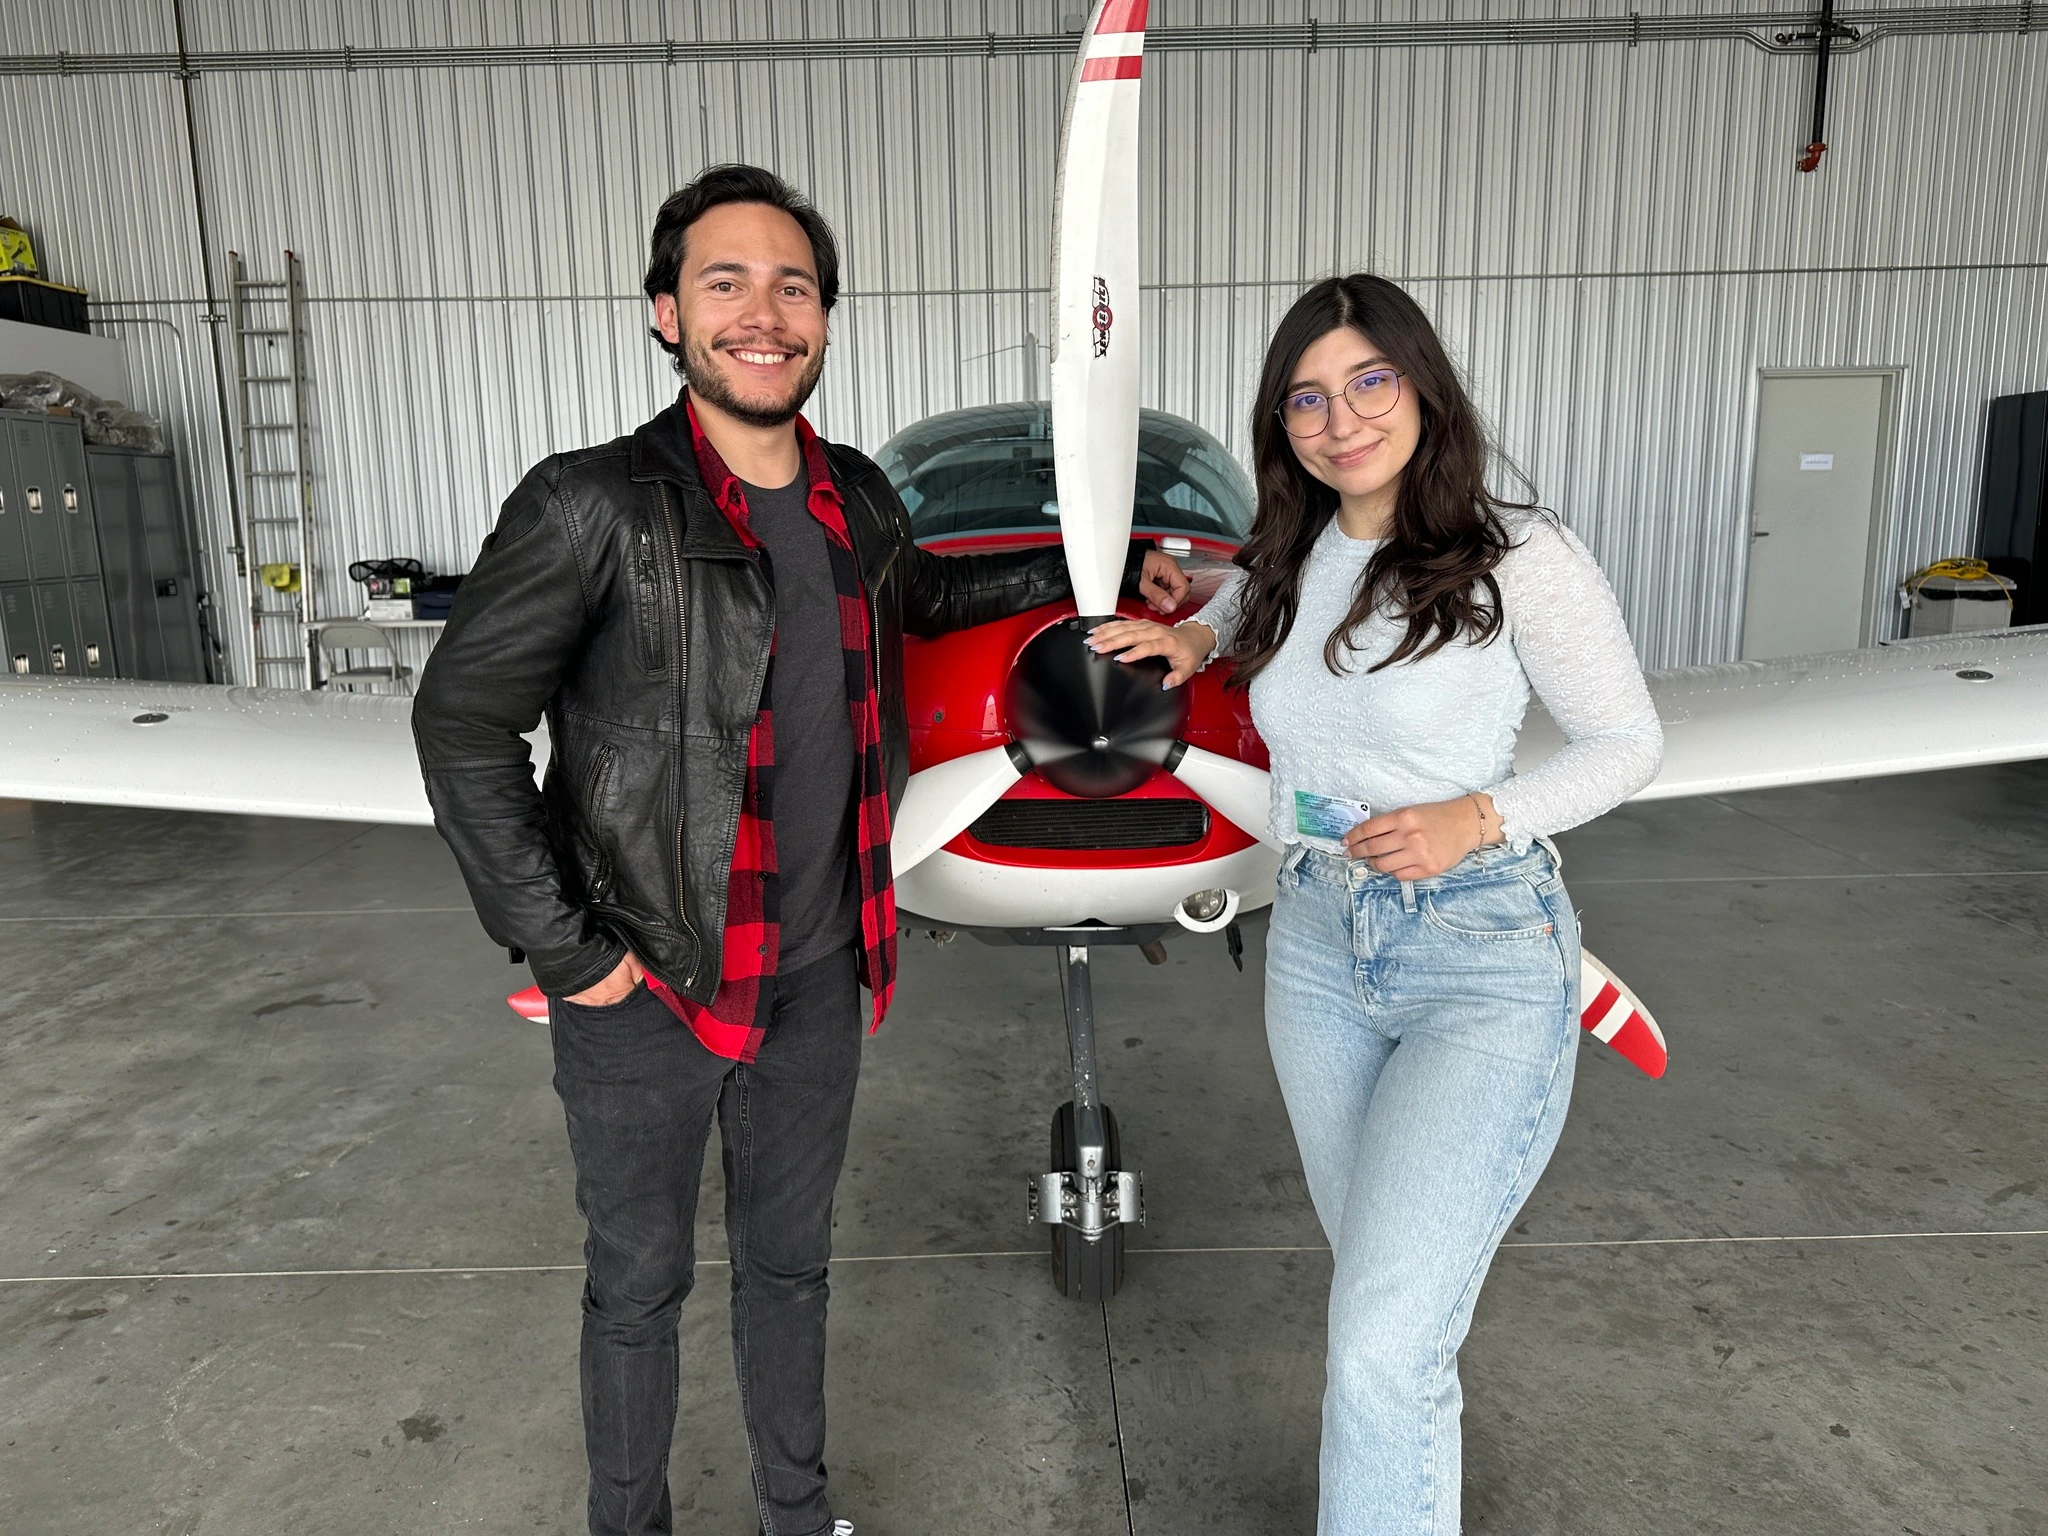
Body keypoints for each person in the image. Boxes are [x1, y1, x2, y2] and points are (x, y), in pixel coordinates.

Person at [413, 163, 1189, 1536]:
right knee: (638, 1284)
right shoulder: (588, 504)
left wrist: (1113, 575)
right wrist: (573, 954)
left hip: (820, 971)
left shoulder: (857, 500)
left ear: (825, 317)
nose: (762, 314)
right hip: (647, 981)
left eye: (793, 287)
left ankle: (795, 1510)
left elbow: (933, 591)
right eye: (725, 283)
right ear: (664, 313)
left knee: (792, 1269)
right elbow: (463, 728)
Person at [1087, 273, 1663, 1535]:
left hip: (1480, 954)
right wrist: (1190, 642)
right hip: (1312, 949)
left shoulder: (1523, 555)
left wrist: (1481, 815)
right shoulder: (1293, 551)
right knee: (1383, 1320)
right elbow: (1260, 610)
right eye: (1305, 398)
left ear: (1422, 388)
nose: (1338, 420)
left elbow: (1626, 743)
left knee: (1381, 1346)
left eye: (1368, 383)